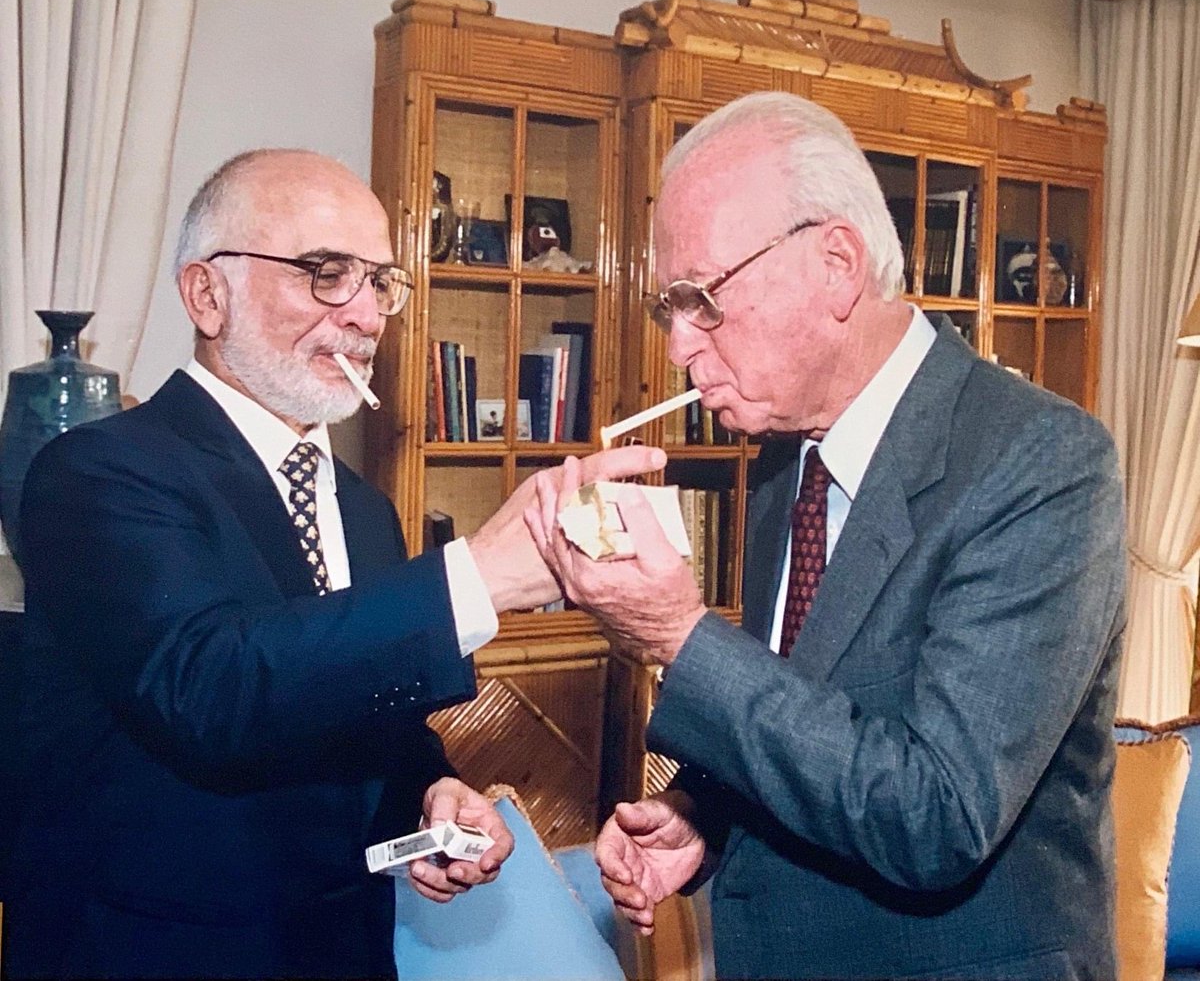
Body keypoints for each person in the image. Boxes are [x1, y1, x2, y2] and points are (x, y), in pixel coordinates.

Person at [5, 149, 663, 980]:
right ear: (208, 294)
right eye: (325, 274)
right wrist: (480, 576)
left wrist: (431, 789)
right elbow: (210, 685)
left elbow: (350, 711)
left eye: (380, 282)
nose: (364, 316)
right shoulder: (95, 472)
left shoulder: (361, 507)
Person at [526, 92, 1126, 980]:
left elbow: (938, 815)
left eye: (701, 300)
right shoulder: (786, 461)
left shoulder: (1041, 462)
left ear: (836, 264)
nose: (679, 348)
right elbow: (817, 711)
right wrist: (706, 816)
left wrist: (677, 638)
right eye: (668, 308)